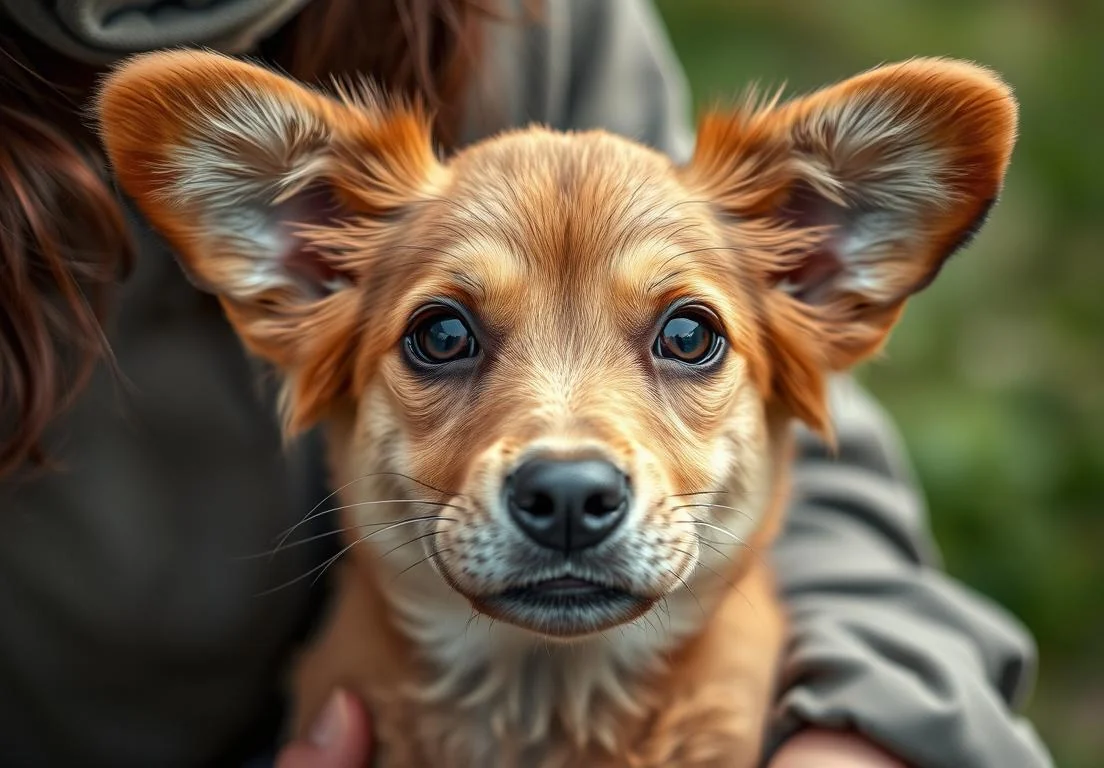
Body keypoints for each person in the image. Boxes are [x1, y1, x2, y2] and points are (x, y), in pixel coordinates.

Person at [0, 1, 1053, 767]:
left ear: (820, 273)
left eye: (685, 339)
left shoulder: (544, 23)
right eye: (446, 338)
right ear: (304, 267)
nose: (564, 463)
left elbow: (837, 508)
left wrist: (857, 737)